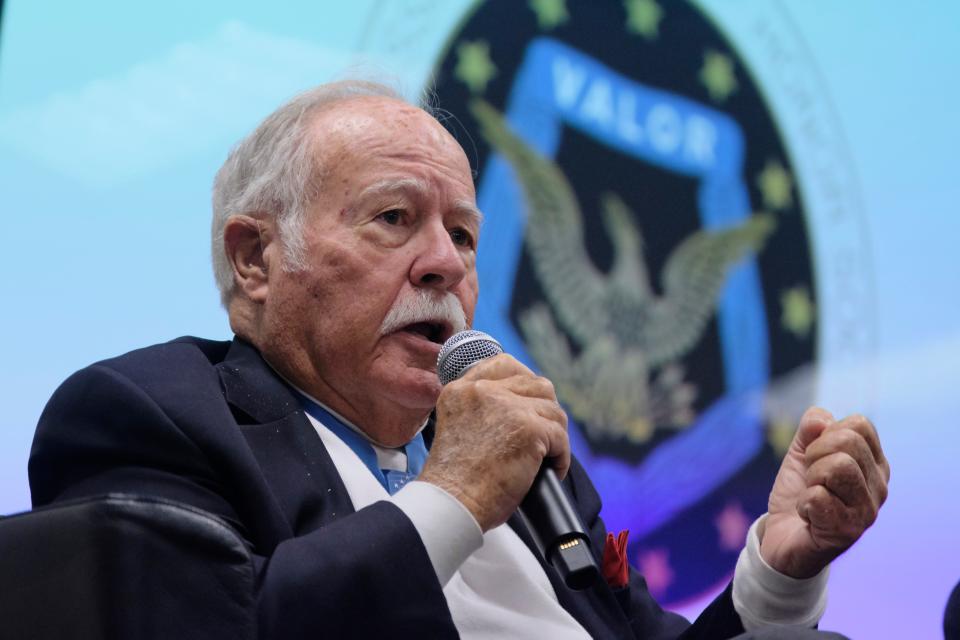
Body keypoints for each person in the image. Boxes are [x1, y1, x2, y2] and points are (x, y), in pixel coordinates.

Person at [29, 80, 889, 639]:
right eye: (394, 218)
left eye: (465, 234)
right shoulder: (148, 413)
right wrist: (452, 497)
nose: (447, 262)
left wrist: (779, 570)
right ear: (255, 260)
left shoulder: (531, 474)